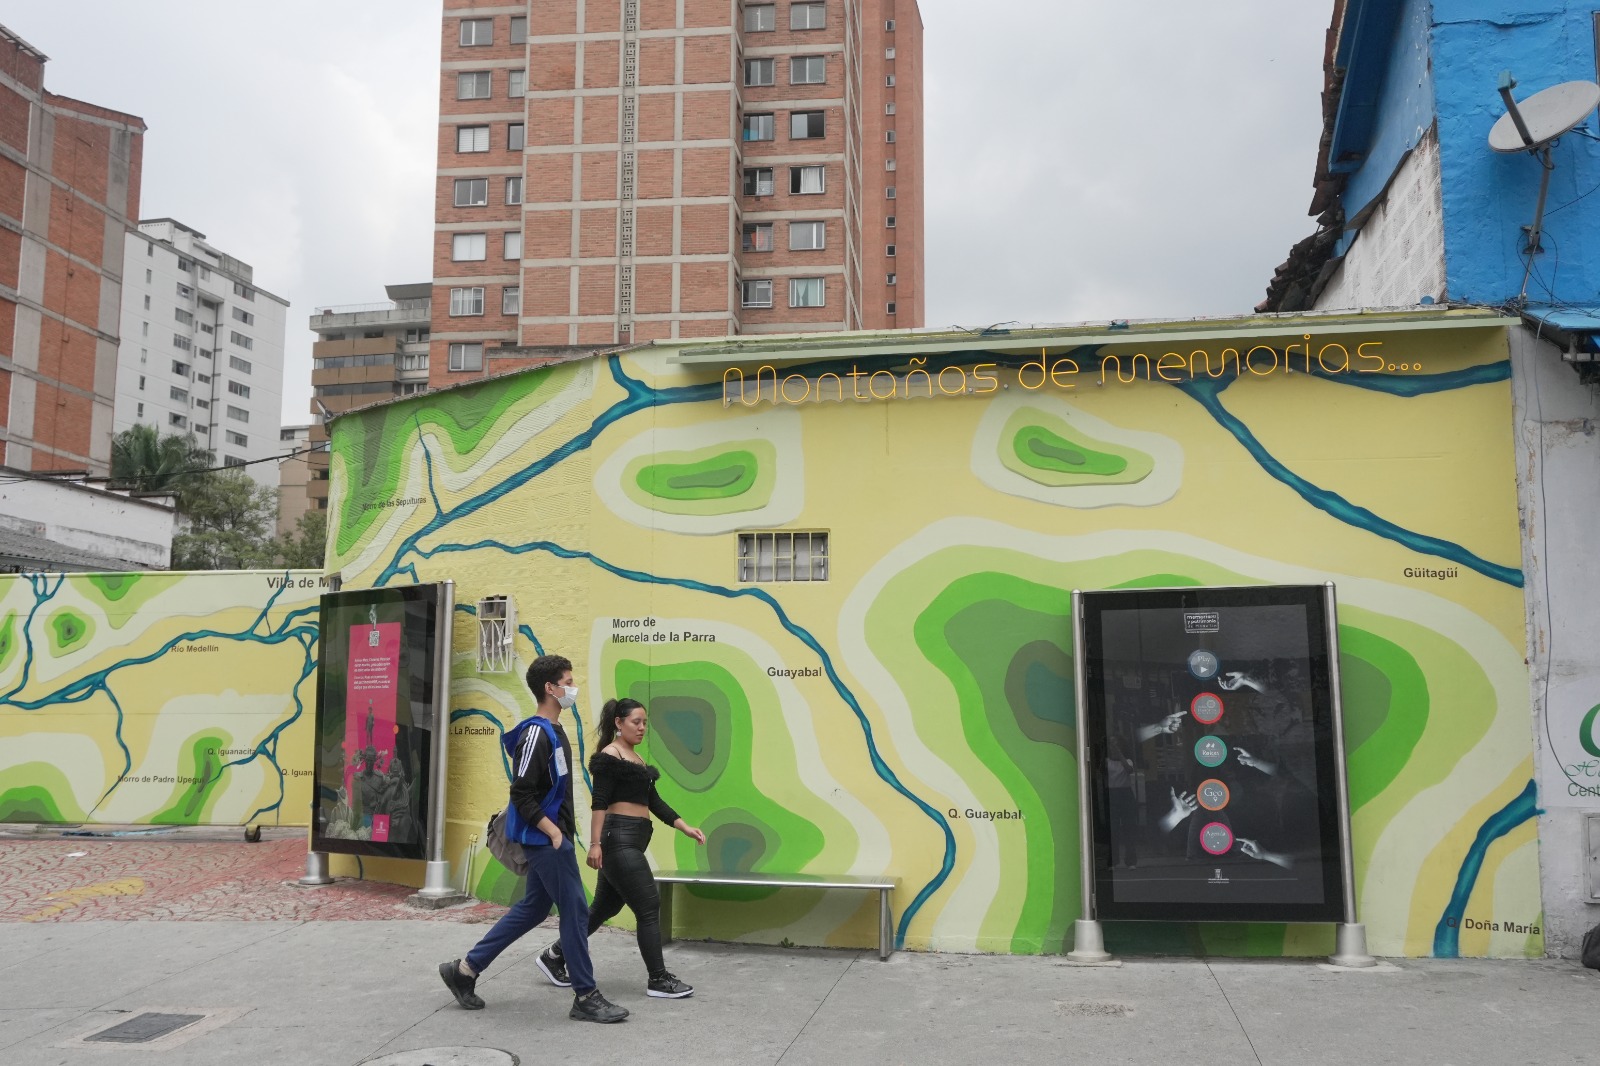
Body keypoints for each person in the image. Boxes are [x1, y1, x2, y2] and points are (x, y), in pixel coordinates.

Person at [438, 654, 628, 1023]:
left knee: (534, 908)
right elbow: (521, 793)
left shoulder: (554, 730)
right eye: (568, 682)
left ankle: (464, 971)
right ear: (550, 688)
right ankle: (586, 996)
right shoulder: (537, 733)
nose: (573, 688)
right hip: (546, 840)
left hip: (553, 838)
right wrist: (554, 832)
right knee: (575, 910)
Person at [537, 698, 706, 999]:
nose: (642, 728)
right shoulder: (610, 756)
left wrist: (684, 827)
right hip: (619, 841)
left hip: (631, 840)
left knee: (604, 907)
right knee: (649, 906)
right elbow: (599, 802)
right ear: (619, 723)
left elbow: (654, 802)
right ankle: (658, 979)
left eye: (645, 723)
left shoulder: (636, 759)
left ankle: (554, 955)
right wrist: (594, 844)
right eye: (635, 722)